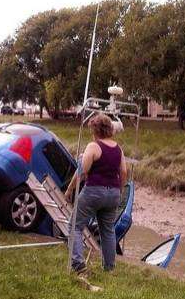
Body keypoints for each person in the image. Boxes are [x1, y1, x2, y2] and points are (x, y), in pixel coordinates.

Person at [64, 114, 127, 274]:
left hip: (94, 191)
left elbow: (82, 172)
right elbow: (124, 172)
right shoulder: (118, 149)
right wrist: (119, 191)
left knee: (74, 226)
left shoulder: (93, 146)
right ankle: (109, 268)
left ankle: (79, 265)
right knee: (107, 230)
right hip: (112, 193)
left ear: (95, 129)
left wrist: (70, 189)